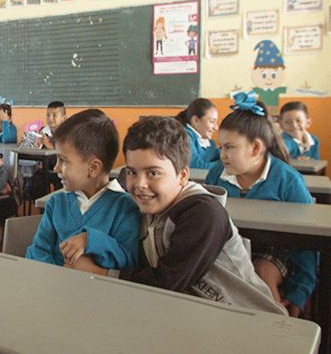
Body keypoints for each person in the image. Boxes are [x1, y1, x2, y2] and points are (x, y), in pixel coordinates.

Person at [71, 115, 286, 315]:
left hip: (248, 323)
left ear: (182, 175)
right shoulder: (146, 208)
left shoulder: (203, 213)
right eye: (132, 172)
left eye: (153, 173)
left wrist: (100, 273)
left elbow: (166, 284)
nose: (139, 185)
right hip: (189, 317)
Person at [206, 92, 315, 317]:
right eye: (221, 147)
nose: (222, 154)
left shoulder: (288, 180)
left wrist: (299, 292)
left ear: (255, 148)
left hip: (276, 253)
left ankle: (279, 329)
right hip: (230, 249)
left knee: (261, 271)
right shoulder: (217, 175)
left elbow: (308, 243)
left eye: (229, 147)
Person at [25, 110, 140, 270]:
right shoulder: (56, 203)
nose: (56, 167)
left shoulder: (125, 208)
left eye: (63, 160)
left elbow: (129, 260)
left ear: (93, 168)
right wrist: (57, 275)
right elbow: (37, 251)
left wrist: (91, 241)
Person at [175, 98, 220, 169]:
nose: (216, 127)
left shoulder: (206, 141)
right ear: (195, 121)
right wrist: (228, 165)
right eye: (212, 121)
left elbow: (212, 155)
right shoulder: (184, 137)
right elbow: (197, 167)